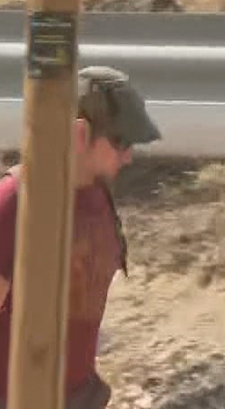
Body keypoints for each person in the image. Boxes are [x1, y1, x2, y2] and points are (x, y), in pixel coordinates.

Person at [0, 66, 162, 409]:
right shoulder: (14, 206)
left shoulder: (99, 197)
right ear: (79, 135)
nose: (129, 155)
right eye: (121, 141)